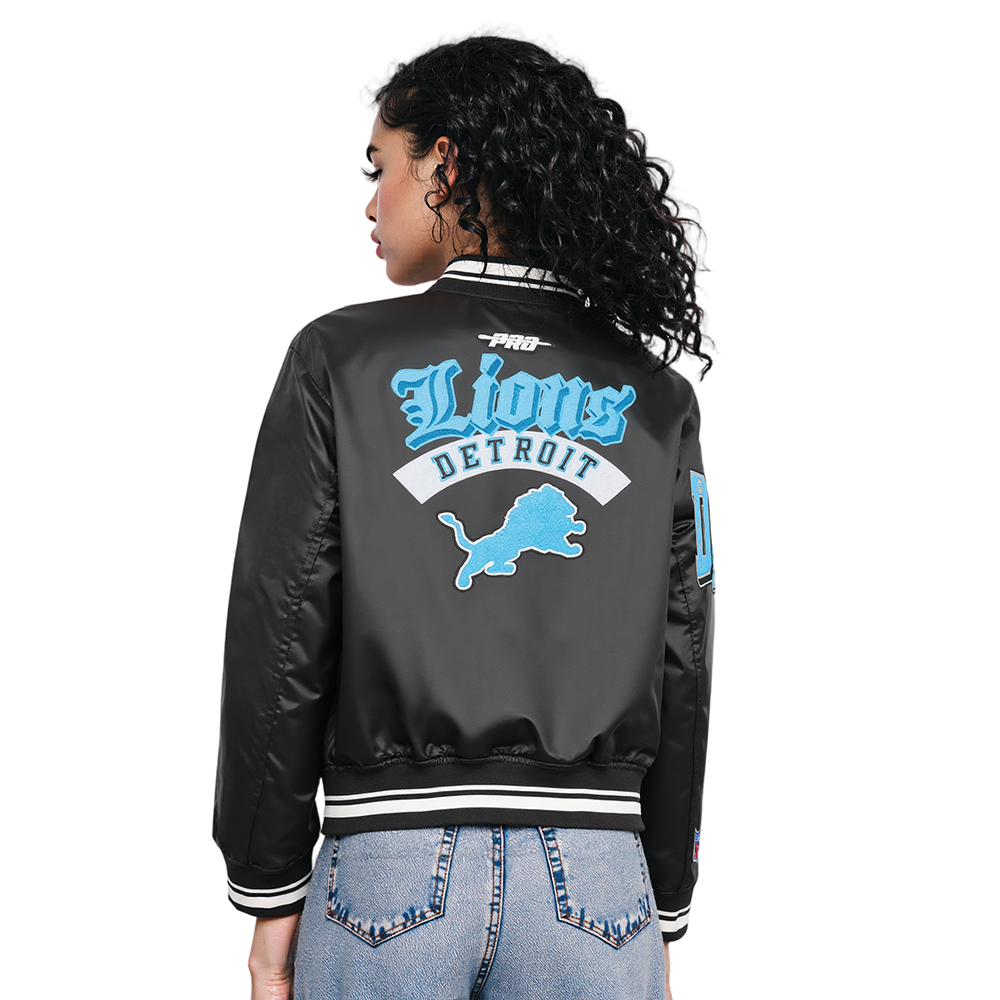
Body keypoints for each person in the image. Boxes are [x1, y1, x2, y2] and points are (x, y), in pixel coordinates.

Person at [213, 34, 715, 1000]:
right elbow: (684, 653)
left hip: (387, 869)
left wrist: (269, 886)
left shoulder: (338, 360)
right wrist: (660, 899)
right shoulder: (656, 397)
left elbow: (281, 627)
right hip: (598, 880)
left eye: (380, 169)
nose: (371, 203)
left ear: (444, 165)